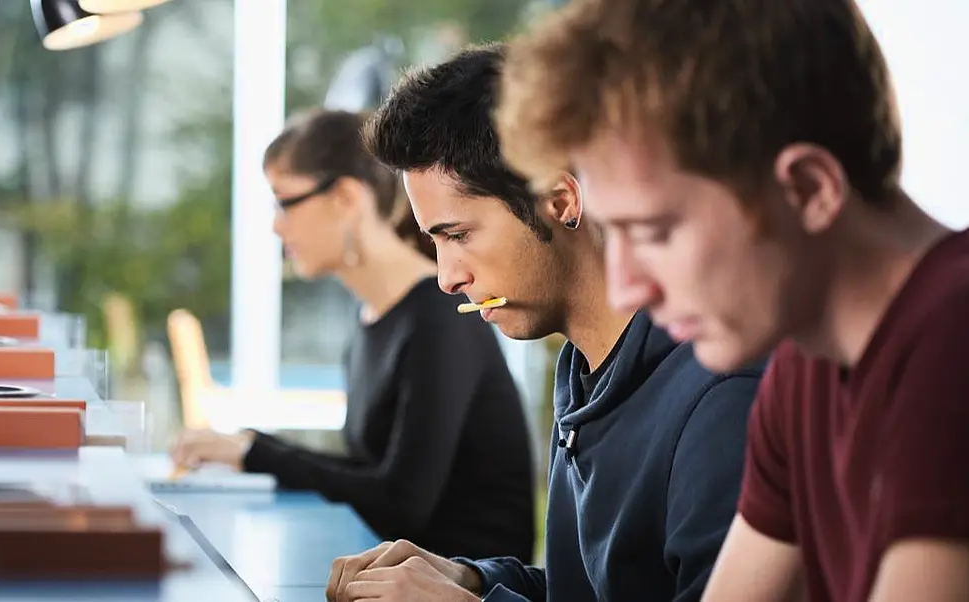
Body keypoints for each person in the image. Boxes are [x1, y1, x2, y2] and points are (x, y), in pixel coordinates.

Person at [494, 1, 969, 601]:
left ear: (807, 189)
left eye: (656, 232)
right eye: (612, 235)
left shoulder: (952, 348)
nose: (626, 288)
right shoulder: (804, 369)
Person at [325, 44, 764, 602]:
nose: (446, 278)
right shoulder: (585, 369)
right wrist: (473, 578)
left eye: (457, 235)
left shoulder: (723, 397)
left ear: (559, 200)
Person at [169, 108, 535, 563]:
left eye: (284, 201)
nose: (275, 225)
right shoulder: (372, 318)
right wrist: (250, 444)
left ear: (345, 198)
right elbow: (369, 472)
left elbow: (401, 502)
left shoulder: (441, 317)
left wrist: (255, 453)